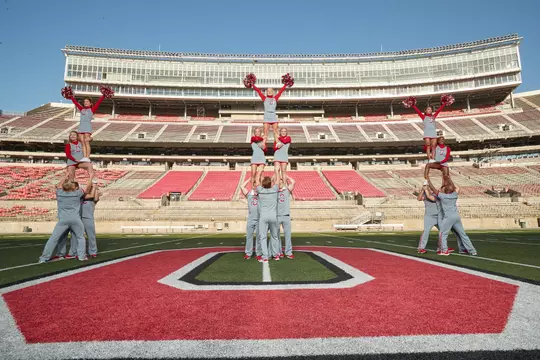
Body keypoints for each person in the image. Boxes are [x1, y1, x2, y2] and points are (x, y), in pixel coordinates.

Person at [38, 172, 94, 263]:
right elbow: (87, 189)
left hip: (63, 219)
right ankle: (81, 256)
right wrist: (90, 177)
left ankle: (44, 258)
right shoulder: (77, 193)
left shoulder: (59, 193)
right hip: (75, 219)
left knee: (53, 238)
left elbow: (58, 186)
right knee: (80, 237)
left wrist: (65, 176)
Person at [427, 176, 477, 256]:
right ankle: (472, 250)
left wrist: (428, 180)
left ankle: (444, 250)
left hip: (448, 217)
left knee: (443, 234)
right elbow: (457, 187)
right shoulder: (455, 195)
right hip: (456, 216)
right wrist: (448, 178)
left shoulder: (443, 196)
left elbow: (434, 189)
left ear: (445, 191)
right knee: (463, 234)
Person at [55, 179, 100, 259]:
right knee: (74, 236)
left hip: (88, 218)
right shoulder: (79, 197)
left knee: (91, 236)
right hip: (78, 217)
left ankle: (93, 252)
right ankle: (73, 252)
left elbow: (95, 197)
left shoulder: (92, 200)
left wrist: (95, 187)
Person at [70, 94, 106, 161]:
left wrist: (103, 96)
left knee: (86, 142)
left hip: (87, 127)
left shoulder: (92, 109)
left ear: (90, 103)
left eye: (87, 101)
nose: (85, 103)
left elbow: (98, 102)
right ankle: (84, 157)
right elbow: (76, 103)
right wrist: (71, 97)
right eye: (84, 101)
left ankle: (87, 157)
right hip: (81, 127)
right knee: (82, 143)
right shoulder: (81, 109)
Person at [256, 175, 279, 262]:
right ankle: (276, 255)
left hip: (263, 216)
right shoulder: (274, 190)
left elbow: (256, 180)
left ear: (263, 184)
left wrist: (259, 172)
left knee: (263, 237)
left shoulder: (260, 191)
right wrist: (277, 171)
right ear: (270, 184)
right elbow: (277, 180)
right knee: (275, 236)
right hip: (273, 216)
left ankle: (265, 256)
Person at [240, 178, 259, 260]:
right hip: (251, 218)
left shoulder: (261, 194)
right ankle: (248, 253)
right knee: (249, 237)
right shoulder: (249, 195)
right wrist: (249, 179)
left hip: (259, 219)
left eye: (257, 184)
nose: (255, 186)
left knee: (259, 237)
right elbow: (241, 186)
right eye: (254, 184)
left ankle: (259, 253)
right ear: (252, 185)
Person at [277, 177, 295, 259]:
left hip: (286, 216)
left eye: (281, 182)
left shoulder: (287, 190)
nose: (280, 183)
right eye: (279, 182)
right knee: (276, 236)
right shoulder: (274, 191)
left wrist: (285, 176)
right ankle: (279, 252)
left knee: (287, 235)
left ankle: (288, 252)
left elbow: (293, 182)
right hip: (277, 216)